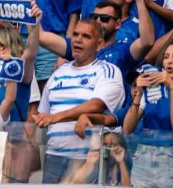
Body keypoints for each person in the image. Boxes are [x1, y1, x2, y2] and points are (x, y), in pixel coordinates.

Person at [34, 18, 126, 184]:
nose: (78, 39)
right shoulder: (59, 72)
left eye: (86, 36)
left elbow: (96, 105)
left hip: (88, 158)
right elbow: (44, 113)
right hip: (54, 156)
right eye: (75, 34)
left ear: (99, 45)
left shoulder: (108, 71)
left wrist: (56, 117)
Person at [123, 43, 173, 188]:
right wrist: (139, 94)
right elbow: (127, 129)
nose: (169, 61)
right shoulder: (151, 90)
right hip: (142, 155)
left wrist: (172, 88)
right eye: (166, 57)